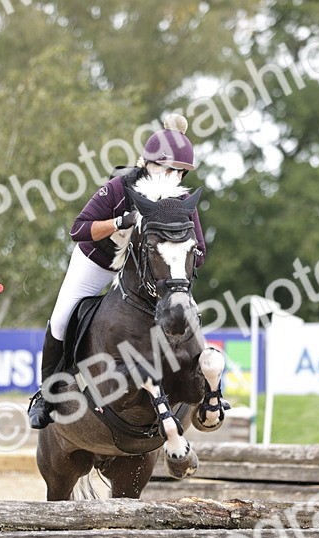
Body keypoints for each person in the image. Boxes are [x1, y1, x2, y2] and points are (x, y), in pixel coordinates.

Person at [27, 113, 206, 429]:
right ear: (147, 164)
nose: (172, 176)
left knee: (182, 309)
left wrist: (185, 254)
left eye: (179, 171)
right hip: (99, 260)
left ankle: (203, 386)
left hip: (144, 273)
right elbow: (78, 229)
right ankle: (46, 394)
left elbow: (200, 250)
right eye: (165, 168)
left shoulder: (179, 201)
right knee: (62, 318)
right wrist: (119, 222)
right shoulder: (119, 187)